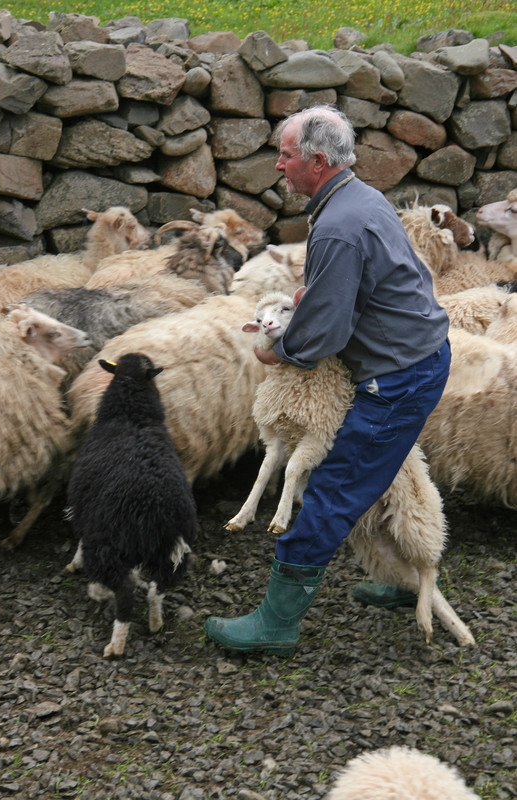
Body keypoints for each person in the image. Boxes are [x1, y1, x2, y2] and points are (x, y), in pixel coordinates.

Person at [204, 105, 450, 655]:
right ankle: (399, 580)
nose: (277, 166)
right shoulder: (358, 198)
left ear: (317, 161)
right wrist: (313, 297)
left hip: (398, 377)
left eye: (286, 155)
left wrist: (282, 351)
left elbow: (323, 335)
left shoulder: (337, 225)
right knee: (372, 476)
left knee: (334, 486)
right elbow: (356, 287)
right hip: (420, 356)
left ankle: (276, 623)